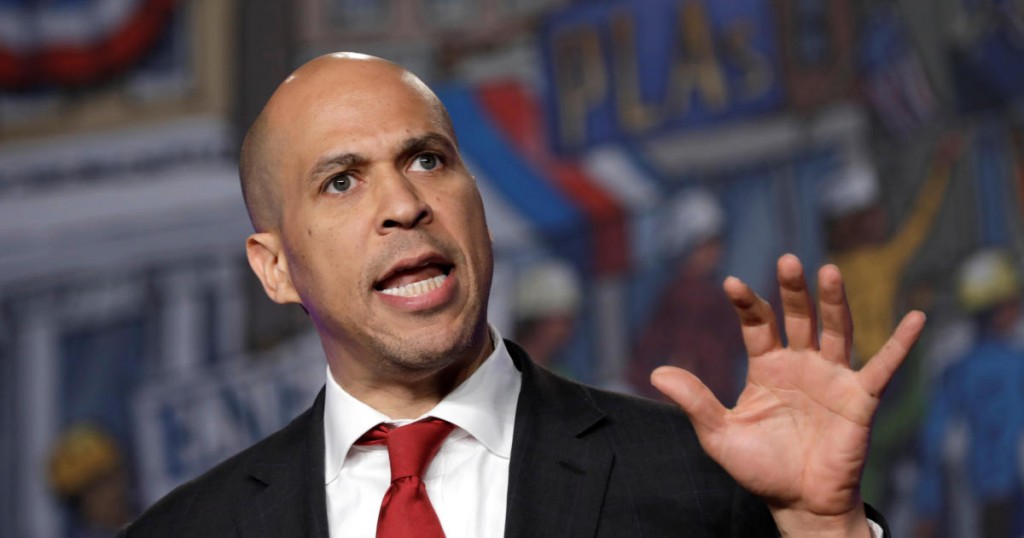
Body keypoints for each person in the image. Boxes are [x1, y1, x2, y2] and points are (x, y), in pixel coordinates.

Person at [120, 52, 925, 537]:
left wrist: (826, 529)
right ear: (275, 268)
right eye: (341, 182)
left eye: (428, 159)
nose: (404, 204)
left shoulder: (704, 486)